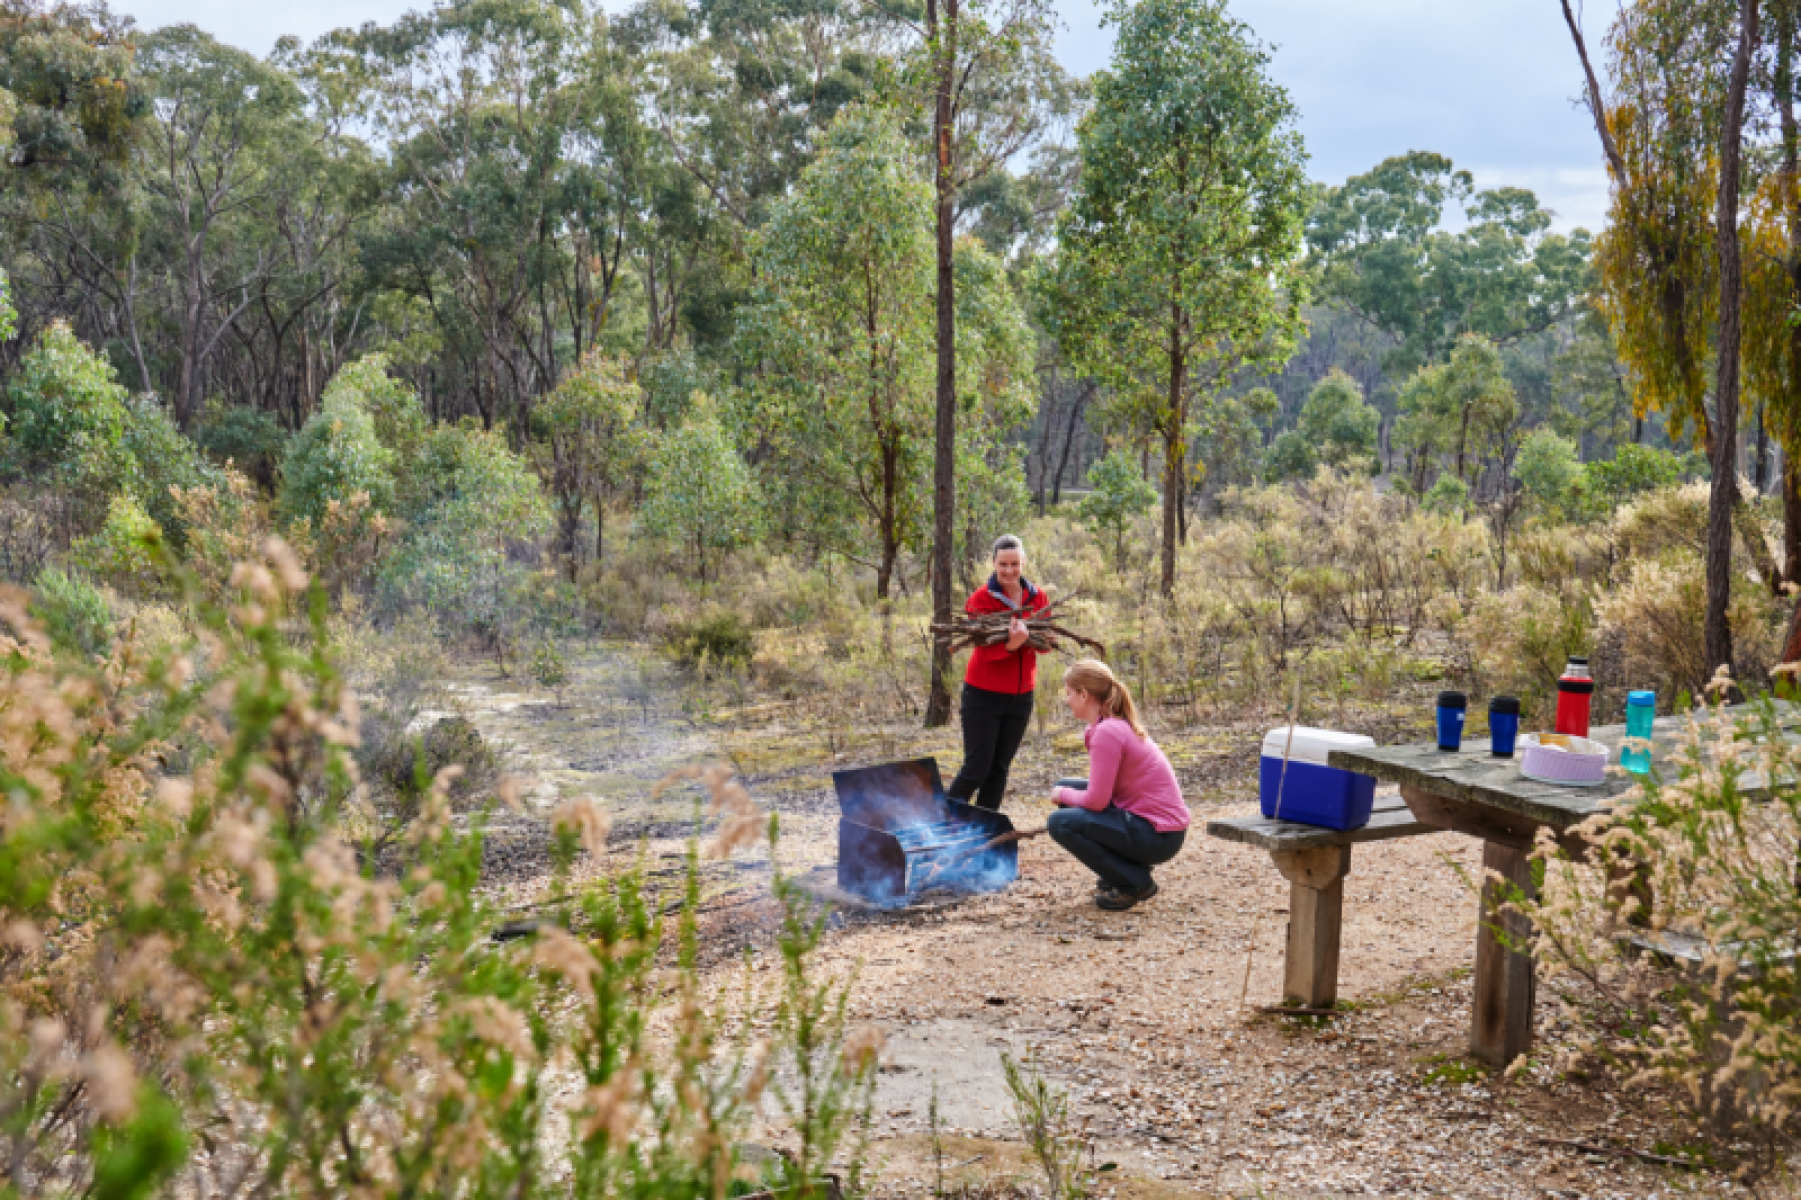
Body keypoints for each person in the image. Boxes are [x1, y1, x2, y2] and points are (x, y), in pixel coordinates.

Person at [1047, 659, 1190, 910]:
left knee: (1059, 822)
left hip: (1158, 834)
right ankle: (1124, 869)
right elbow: (1102, 793)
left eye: (1069, 693)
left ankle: (1134, 882)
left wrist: (1064, 794)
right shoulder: (1104, 727)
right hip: (1150, 826)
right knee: (1065, 789)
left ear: (1084, 694)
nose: (1066, 700)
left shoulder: (1108, 732)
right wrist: (1066, 792)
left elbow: (1096, 801)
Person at [946, 534, 1050, 810]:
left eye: (1014, 563)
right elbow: (985, 651)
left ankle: (984, 833)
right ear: (993, 563)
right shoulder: (981, 599)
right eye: (1003, 564)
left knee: (999, 770)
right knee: (976, 770)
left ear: (1024, 562)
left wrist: (1038, 639)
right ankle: (935, 826)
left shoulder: (1038, 597)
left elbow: (1045, 645)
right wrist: (1012, 645)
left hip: (1021, 698)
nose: (1009, 570)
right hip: (983, 696)